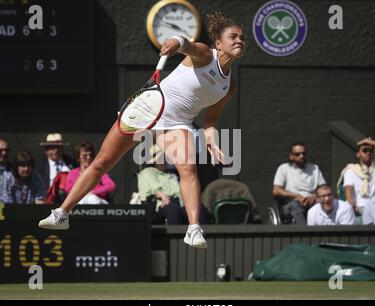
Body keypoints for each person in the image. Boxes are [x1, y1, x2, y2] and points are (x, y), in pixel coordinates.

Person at [39, 12, 246, 249]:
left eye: (242, 38)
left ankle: (193, 229)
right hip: (147, 108)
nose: (239, 40)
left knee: (188, 169)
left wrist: (211, 141)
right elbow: (185, 44)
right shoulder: (203, 55)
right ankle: (62, 214)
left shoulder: (229, 86)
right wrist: (176, 41)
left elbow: (212, 118)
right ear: (218, 43)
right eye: (233, 36)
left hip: (177, 123)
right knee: (101, 163)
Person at [273, 142, 326, 225]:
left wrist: (315, 196)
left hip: (312, 201)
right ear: (291, 156)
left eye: (304, 153)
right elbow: (276, 190)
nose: (302, 156)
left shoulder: (315, 168)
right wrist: (296, 196)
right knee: (295, 206)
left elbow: (323, 187)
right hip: (291, 202)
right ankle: (304, 234)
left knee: (327, 202)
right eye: (297, 154)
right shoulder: (284, 168)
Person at [137, 144, 186, 224]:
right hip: (160, 206)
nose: (165, 161)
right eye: (161, 159)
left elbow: (180, 192)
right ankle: (174, 236)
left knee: (197, 210)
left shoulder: (171, 175)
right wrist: (162, 195)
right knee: (172, 209)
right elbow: (146, 193)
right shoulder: (147, 172)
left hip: (179, 203)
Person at [341, 137, 375, 217]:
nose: (368, 153)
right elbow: (348, 188)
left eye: (371, 151)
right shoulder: (351, 170)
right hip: (358, 208)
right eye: (364, 150)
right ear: (358, 154)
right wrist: (352, 204)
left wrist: (370, 142)